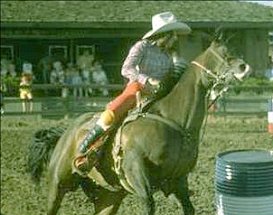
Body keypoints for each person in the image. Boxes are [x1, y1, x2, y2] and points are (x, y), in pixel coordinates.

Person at [73, 11, 191, 175]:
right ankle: (84, 149)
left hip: (160, 95)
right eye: (173, 35)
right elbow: (126, 69)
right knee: (110, 115)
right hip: (137, 89)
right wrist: (147, 80)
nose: (176, 39)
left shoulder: (168, 57)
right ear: (165, 35)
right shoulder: (141, 46)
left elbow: (171, 79)